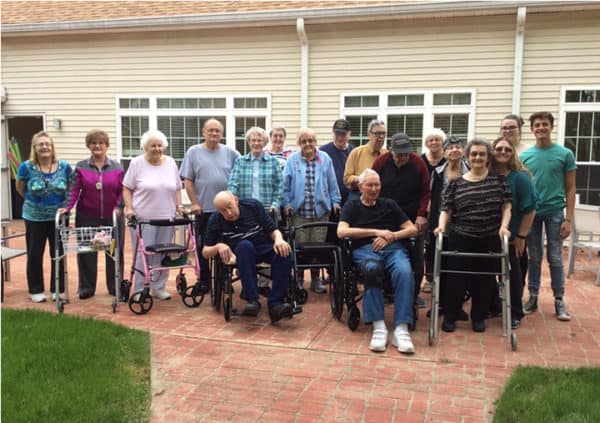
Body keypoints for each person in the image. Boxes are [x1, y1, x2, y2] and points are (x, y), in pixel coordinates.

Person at [434, 139, 511, 333]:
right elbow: (446, 209)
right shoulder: (455, 184)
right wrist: (441, 227)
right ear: (468, 157)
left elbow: (507, 206)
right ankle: (450, 316)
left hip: (489, 238)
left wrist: (504, 226)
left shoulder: (499, 181)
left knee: (484, 281)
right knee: (456, 280)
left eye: (482, 154)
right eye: (474, 154)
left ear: (487, 158)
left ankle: (478, 317)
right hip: (461, 237)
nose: (478, 157)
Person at [337, 169, 418, 354]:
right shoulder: (352, 206)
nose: (374, 189)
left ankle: (401, 329)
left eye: (377, 185)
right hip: (366, 250)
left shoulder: (389, 204)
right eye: (369, 185)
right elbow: (341, 232)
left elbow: (412, 229)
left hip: (394, 248)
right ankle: (379, 326)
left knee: (405, 272)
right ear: (360, 187)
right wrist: (376, 232)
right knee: (371, 270)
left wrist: (391, 236)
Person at [202, 191, 294, 323]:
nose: (228, 213)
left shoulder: (253, 206)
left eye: (229, 207)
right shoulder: (215, 219)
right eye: (222, 211)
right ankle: (252, 300)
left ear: (236, 200)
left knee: (284, 252)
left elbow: (272, 229)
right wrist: (218, 247)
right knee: (245, 246)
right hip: (241, 252)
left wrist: (279, 239)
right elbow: (205, 252)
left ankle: (276, 304)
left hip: (262, 246)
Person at [520, 112, 576, 321]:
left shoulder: (564, 154)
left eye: (544, 124)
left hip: (554, 212)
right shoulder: (525, 156)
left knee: (554, 256)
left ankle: (559, 299)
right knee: (534, 256)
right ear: (532, 129)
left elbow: (570, 188)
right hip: (532, 213)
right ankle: (533, 296)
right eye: (537, 125)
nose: (541, 128)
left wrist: (568, 219)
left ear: (551, 127)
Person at [58, 129, 124, 299]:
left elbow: (122, 191)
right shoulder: (81, 166)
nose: (97, 146)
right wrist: (67, 207)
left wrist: (118, 208)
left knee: (113, 251)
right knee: (87, 251)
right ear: (88, 145)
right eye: (93, 142)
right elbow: (74, 189)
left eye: (101, 143)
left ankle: (114, 285)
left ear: (107, 145)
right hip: (87, 214)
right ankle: (87, 287)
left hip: (112, 216)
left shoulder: (117, 167)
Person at [180, 119, 240, 292]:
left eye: (217, 131)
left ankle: (225, 280)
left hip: (226, 211)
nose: (214, 134)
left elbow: (242, 172)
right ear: (203, 132)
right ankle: (205, 281)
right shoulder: (193, 152)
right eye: (211, 130)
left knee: (227, 244)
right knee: (204, 247)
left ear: (221, 134)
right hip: (204, 209)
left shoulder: (231, 153)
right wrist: (194, 203)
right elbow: (188, 181)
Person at [122, 130, 183, 300]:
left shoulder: (170, 162)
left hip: (167, 217)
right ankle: (140, 289)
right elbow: (127, 188)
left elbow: (177, 188)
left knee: (163, 253)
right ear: (145, 147)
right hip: (143, 218)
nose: (157, 148)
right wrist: (129, 208)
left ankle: (158, 287)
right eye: (153, 146)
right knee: (144, 254)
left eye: (159, 145)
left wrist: (178, 206)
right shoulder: (137, 163)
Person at [371, 133, 430, 307]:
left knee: (416, 257)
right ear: (391, 150)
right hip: (385, 216)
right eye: (399, 153)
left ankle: (414, 294)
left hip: (411, 217)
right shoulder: (381, 162)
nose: (403, 157)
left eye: (406, 153)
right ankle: (387, 290)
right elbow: (371, 186)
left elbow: (426, 191)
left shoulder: (418, 163)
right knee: (386, 252)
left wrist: (422, 215)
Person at [16, 131, 73, 303]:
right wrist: (35, 203)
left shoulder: (64, 166)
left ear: (52, 147)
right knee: (35, 253)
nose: (45, 147)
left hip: (59, 217)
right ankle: (36, 290)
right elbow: (20, 188)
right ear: (35, 148)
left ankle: (58, 290)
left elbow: (71, 188)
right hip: (34, 217)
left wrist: (66, 206)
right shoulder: (26, 167)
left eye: (47, 144)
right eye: (40, 144)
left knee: (59, 253)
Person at [283, 128, 341, 293]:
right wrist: (286, 203)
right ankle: (300, 277)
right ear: (299, 143)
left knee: (318, 246)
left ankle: (316, 279)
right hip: (299, 211)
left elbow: (332, 182)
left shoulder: (325, 158)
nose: (307, 144)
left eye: (310, 140)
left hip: (321, 211)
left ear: (315, 142)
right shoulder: (292, 160)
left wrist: (336, 201)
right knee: (300, 247)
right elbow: (285, 185)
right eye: (303, 141)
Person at [491, 136, 537, 329]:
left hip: (512, 236)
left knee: (513, 274)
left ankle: (515, 312)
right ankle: (494, 305)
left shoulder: (520, 177)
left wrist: (521, 236)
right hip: (488, 234)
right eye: (499, 149)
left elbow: (530, 209)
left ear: (513, 153)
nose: (503, 152)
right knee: (488, 271)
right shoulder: (488, 174)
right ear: (492, 152)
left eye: (507, 150)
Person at [426, 136, 470, 320]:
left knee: (459, 266)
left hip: (465, 226)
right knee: (440, 266)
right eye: (450, 147)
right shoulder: (437, 172)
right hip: (441, 226)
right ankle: (441, 304)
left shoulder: (471, 170)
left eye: (458, 147)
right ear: (444, 153)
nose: (454, 150)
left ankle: (457, 306)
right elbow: (431, 198)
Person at [228, 126, 283, 213]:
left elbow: (280, 186)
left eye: (259, 140)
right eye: (253, 140)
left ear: (264, 143)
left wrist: (275, 204)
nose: (256, 143)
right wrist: (232, 202)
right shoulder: (240, 162)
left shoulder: (274, 162)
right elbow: (233, 185)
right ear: (249, 142)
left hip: (268, 210)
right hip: (245, 210)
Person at [320, 118, 354, 243]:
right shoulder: (323, 152)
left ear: (349, 134)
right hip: (330, 205)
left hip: (349, 203)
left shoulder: (354, 151)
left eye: (343, 134)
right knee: (330, 237)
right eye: (337, 134)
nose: (340, 137)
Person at [343, 119, 387, 202]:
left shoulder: (386, 155)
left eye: (383, 133)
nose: (381, 136)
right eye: (377, 133)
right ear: (369, 134)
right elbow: (346, 179)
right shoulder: (356, 153)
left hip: (380, 196)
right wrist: (362, 179)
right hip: (358, 195)